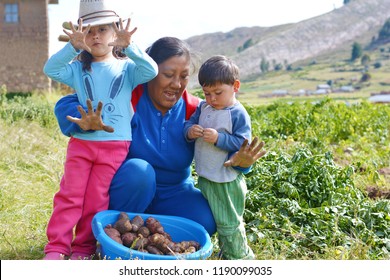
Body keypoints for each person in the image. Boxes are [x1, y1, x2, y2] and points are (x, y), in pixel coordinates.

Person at [54, 36, 266, 259]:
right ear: (149, 71)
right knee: (140, 171)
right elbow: (68, 103)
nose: (177, 84)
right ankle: (112, 232)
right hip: (128, 190)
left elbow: (227, 148)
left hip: (173, 192)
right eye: (168, 75)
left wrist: (242, 164)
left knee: (206, 219)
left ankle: (151, 236)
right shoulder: (129, 97)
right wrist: (84, 119)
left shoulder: (197, 110)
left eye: (183, 77)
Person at [42, 0, 158, 260]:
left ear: (115, 33)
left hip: (115, 145)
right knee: (70, 195)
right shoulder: (76, 68)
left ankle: (83, 247)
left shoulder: (127, 67)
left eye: (103, 29)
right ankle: (57, 247)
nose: (95, 35)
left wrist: (130, 46)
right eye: (89, 30)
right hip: (82, 142)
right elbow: (50, 69)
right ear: (82, 35)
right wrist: (71, 47)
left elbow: (151, 70)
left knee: (96, 199)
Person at [183, 55, 254, 259]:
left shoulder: (237, 113)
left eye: (218, 93)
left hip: (225, 179)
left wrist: (219, 138)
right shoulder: (204, 107)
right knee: (218, 218)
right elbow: (188, 124)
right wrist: (190, 131)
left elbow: (243, 144)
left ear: (235, 86)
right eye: (207, 93)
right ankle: (226, 253)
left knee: (229, 221)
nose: (212, 98)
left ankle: (240, 258)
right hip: (207, 176)